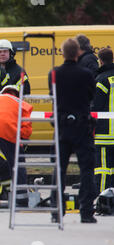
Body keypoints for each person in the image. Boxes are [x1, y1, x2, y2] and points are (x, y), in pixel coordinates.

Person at [49, 38, 97, 223]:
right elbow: (90, 94)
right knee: (86, 169)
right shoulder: (85, 74)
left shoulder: (54, 73)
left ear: (62, 53)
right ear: (78, 52)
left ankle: (56, 211)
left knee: (59, 169)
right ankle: (86, 211)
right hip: (82, 126)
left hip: (61, 127)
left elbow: (52, 96)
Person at [92, 48, 114, 194]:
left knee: (103, 169)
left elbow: (95, 107)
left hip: (105, 134)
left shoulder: (101, 80)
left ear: (99, 61)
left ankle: (102, 199)